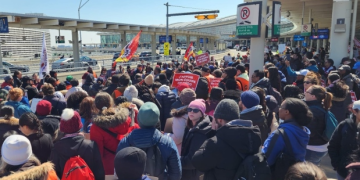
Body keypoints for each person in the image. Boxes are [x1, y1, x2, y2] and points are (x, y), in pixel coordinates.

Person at [192, 99, 262, 180]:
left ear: (220, 120)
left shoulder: (215, 143)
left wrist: (212, 135)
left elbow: (197, 162)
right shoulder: (252, 136)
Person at [117, 102, 182, 180]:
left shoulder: (125, 141)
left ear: (138, 119)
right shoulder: (167, 142)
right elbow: (176, 174)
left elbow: (118, 170)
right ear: (157, 120)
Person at [262, 98, 312, 180]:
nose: (279, 108)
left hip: (280, 174)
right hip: (296, 172)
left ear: (287, 112)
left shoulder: (280, 134)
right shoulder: (303, 130)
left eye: (281, 106)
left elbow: (267, 159)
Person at [91, 92, 140, 175]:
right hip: (129, 162)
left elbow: (98, 153)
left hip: (109, 167)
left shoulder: (95, 127)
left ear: (95, 106)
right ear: (111, 103)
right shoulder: (126, 119)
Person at [49, 108, 105, 179]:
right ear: (79, 124)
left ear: (62, 126)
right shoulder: (91, 145)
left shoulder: (56, 148)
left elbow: (53, 173)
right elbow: (99, 172)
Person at [328, 100, 360, 180]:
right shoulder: (344, 125)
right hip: (343, 171)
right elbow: (333, 145)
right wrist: (337, 165)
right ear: (354, 111)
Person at [304, 85, 333, 166]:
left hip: (313, 148)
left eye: (307, 91)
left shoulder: (313, 110)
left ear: (313, 96)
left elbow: (310, 132)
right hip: (321, 146)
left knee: (308, 173)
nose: (304, 93)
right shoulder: (321, 106)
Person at [170, 88, 197, 154]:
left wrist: (167, 136)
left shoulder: (179, 115)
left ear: (182, 100)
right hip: (195, 149)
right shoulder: (199, 112)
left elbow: (178, 138)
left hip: (182, 150)